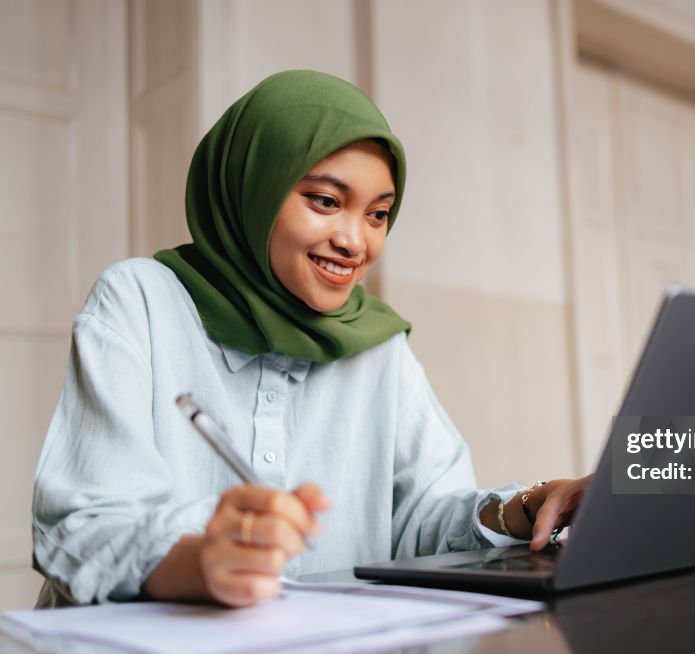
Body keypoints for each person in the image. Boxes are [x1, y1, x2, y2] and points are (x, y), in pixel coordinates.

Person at [32, 70, 590, 608]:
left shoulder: (376, 342)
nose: (355, 241)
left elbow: (423, 522)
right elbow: (81, 528)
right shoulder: (141, 301)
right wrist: (200, 560)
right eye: (325, 201)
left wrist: (530, 505)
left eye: (378, 214)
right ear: (254, 187)